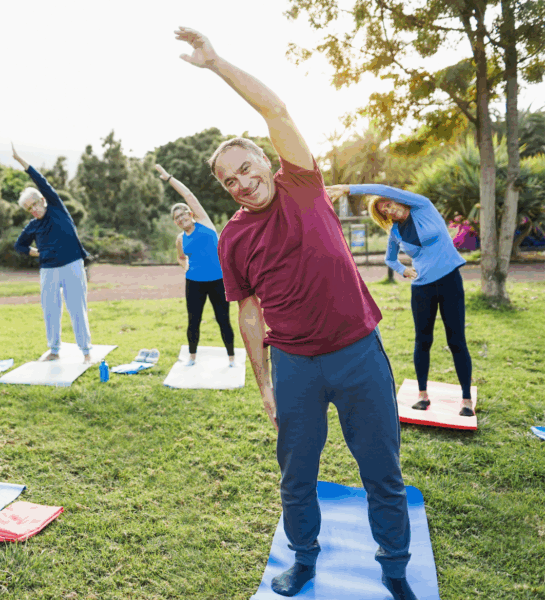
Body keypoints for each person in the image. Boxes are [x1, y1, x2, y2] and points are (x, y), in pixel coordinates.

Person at [174, 29, 417, 599]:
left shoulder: (303, 185)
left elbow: (274, 107)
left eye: (246, 167)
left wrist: (215, 63)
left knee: (382, 472)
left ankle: (395, 567)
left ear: (264, 158)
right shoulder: (231, 238)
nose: (241, 182)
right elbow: (250, 316)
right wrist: (265, 386)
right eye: (229, 180)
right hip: (296, 367)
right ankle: (303, 558)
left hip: (358, 352)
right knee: (296, 477)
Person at [328, 184, 473, 417]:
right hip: (421, 288)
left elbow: (381, 187)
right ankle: (422, 395)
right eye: (384, 211)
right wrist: (403, 270)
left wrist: (348, 189)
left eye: (388, 204)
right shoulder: (395, 232)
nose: (389, 210)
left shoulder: (421, 206)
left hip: (450, 281)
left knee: (456, 340)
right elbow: (390, 259)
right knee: (422, 341)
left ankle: (466, 400)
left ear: (396, 199)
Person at [12, 143, 93, 363]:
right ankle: (54, 350)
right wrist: (36, 253)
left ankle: (86, 352)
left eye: (35, 204)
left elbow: (41, 181)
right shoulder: (32, 226)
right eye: (29, 208)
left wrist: (21, 161)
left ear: (43, 200)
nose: (34, 210)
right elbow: (19, 246)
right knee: (51, 311)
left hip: (72, 265)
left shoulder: (56, 207)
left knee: (77, 308)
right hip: (48, 270)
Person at [155, 164, 235, 367]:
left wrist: (169, 178)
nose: (181, 218)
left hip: (218, 281)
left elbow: (189, 195)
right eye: (177, 217)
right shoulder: (181, 238)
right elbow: (181, 258)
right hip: (194, 283)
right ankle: (192, 357)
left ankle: (232, 358)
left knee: (223, 319)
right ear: (176, 222)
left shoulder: (205, 223)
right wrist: (186, 267)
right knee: (194, 320)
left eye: (184, 213)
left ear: (191, 214)